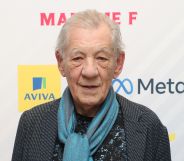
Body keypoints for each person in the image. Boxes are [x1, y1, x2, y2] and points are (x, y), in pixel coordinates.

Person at [12, 10, 171, 161]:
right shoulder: (32, 123)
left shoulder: (149, 126)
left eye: (101, 58)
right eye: (77, 58)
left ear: (118, 63)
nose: (89, 72)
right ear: (61, 63)